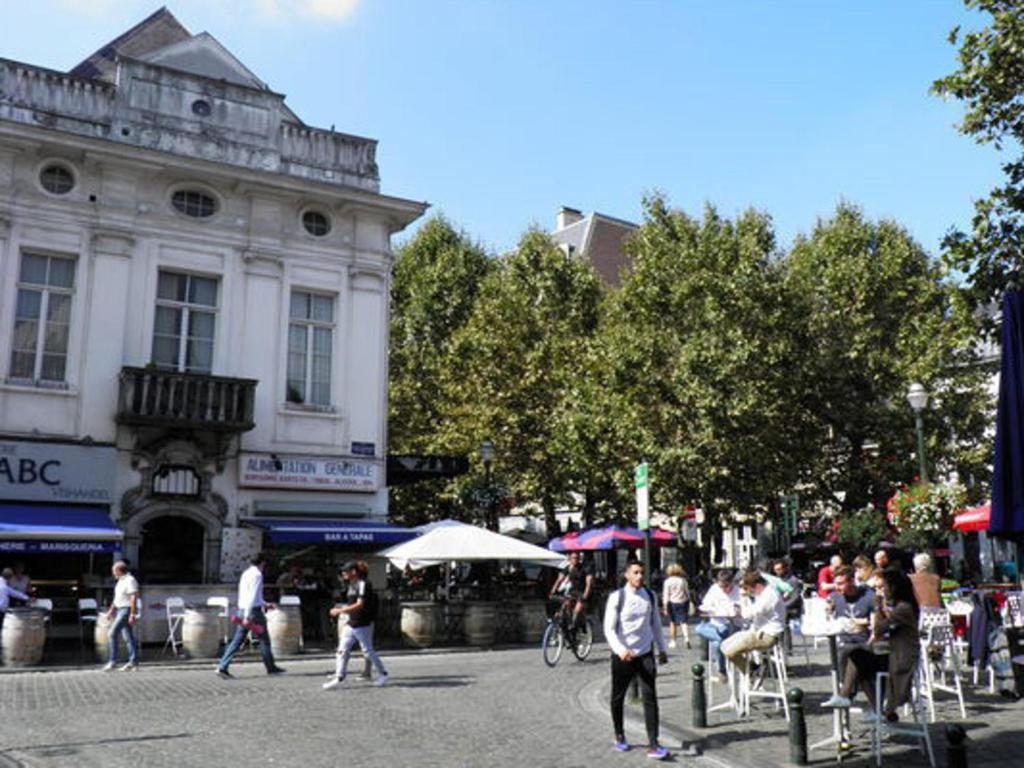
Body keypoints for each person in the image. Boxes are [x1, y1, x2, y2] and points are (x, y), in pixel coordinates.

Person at [823, 568, 921, 721]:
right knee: (858, 657)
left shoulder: (903, 609)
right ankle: (871, 707)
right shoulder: (904, 606)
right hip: (899, 655)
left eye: (883, 587)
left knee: (858, 656)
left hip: (902, 661)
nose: (881, 591)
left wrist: (877, 604)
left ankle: (854, 699)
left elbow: (879, 628)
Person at [604, 561, 670, 760]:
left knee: (650, 698)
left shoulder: (649, 596)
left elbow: (656, 625)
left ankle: (653, 742)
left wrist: (662, 649)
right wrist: (620, 650)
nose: (640, 576)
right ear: (627, 575)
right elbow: (609, 628)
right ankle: (619, 735)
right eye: (636, 573)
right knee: (618, 697)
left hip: (645, 654)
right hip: (623, 656)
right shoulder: (617, 597)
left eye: (642, 572)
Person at [217, 552, 285, 678]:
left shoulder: (246, 573)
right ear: (263, 562)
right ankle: (271, 667)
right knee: (264, 639)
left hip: (242, 609)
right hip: (253, 611)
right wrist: (249, 615)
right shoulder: (258, 575)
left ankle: (222, 666)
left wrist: (265, 604)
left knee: (237, 640)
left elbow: (248, 595)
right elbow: (253, 596)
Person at [323, 560, 389, 689]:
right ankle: (339, 677)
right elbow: (353, 603)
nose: (343, 573)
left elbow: (360, 604)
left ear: (353, 572)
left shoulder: (363, 584)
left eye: (345, 571)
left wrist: (340, 611)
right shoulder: (352, 584)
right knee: (342, 650)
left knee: (368, 651)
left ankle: (383, 674)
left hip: (362, 622)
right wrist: (342, 608)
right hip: (352, 622)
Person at [721, 570, 786, 674]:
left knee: (730, 652)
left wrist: (743, 599)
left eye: (749, 588)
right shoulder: (762, 594)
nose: (749, 591)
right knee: (724, 645)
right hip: (757, 631)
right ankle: (753, 667)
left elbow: (749, 614)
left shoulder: (769, 596)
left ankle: (752, 671)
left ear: (758, 585)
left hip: (767, 635)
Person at [827, 565, 875, 675]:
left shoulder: (868, 597)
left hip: (865, 641)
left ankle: (845, 689)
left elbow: (876, 623)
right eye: (836, 584)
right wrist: (827, 610)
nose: (837, 587)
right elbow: (828, 613)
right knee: (843, 652)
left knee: (851, 654)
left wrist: (863, 622)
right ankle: (844, 686)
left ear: (852, 581)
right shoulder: (835, 597)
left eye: (841, 584)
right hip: (844, 641)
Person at [696, 569, 741, 682]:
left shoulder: (738, 591)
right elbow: (705, 605)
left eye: (726, 586)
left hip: (731, 624)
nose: (724, 589)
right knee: (699, 628)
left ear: (731, 583)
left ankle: (721, 671)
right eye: (721, 586)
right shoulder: (714, 589)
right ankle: (720, 636)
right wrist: (711, 609)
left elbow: (741, 607)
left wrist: (736, 611)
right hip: (715, 624)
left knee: (717, 644)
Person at [102, 561, 140, 672]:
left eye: (114, 570)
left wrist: (132, 614)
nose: (113, 572)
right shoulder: (120, 581)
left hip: (126, 609)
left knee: (112, 633)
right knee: (128, 637)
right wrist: (110, 611)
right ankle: (133, 662)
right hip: (120, 609)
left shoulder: (130, 580)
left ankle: (113, 661)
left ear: (119, 570)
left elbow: (133, 597)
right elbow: (116, 598)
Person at [549, 552, 593, 633]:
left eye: (576, 558)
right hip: (572, 591)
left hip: (581, 592)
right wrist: (553, 591)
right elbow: (559, 579)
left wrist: (586, 594)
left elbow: (588, 583)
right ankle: (568, 624)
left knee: (577, 612)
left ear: (579, 559)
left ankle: (577, 626)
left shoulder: (585, 568)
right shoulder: (568, 568)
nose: (575, 560)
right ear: (570, 559)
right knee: (566, 605)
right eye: (573, 558)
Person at [0, 567, 31, 655]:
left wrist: (26, 597)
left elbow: (12, 592)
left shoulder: (3, 584)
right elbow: (13, 593)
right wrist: (27, 598)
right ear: (9, 577)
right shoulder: (3, 585)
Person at [661, 563, 691, 650]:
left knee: (672, 622)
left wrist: (665, 606)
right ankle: (686, 638)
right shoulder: (683, 580)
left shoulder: (667, 582)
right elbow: (687, 592)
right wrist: (688, 600)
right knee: (684, 622)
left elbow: (666, 595)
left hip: (672, 603)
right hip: (683, 601)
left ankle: (673, 641)